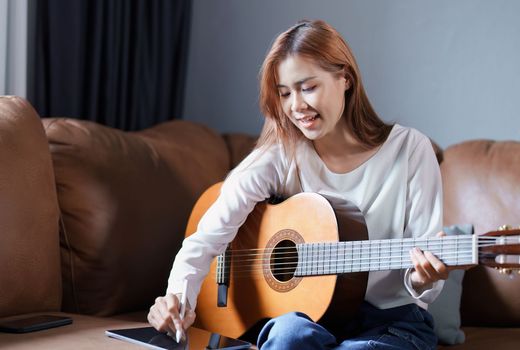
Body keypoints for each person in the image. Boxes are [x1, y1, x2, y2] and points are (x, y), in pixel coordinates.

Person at [148, 19, 449, 349]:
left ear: (345, 78)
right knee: (287, 334)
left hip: (390, 324)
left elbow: (424, 282)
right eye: (285, 93)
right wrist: (177, 299)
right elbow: (207, 236)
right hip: (308, 319)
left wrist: (423, 277)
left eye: (308, 87)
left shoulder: (410, 150)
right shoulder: (281, 154)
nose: (296, 106)